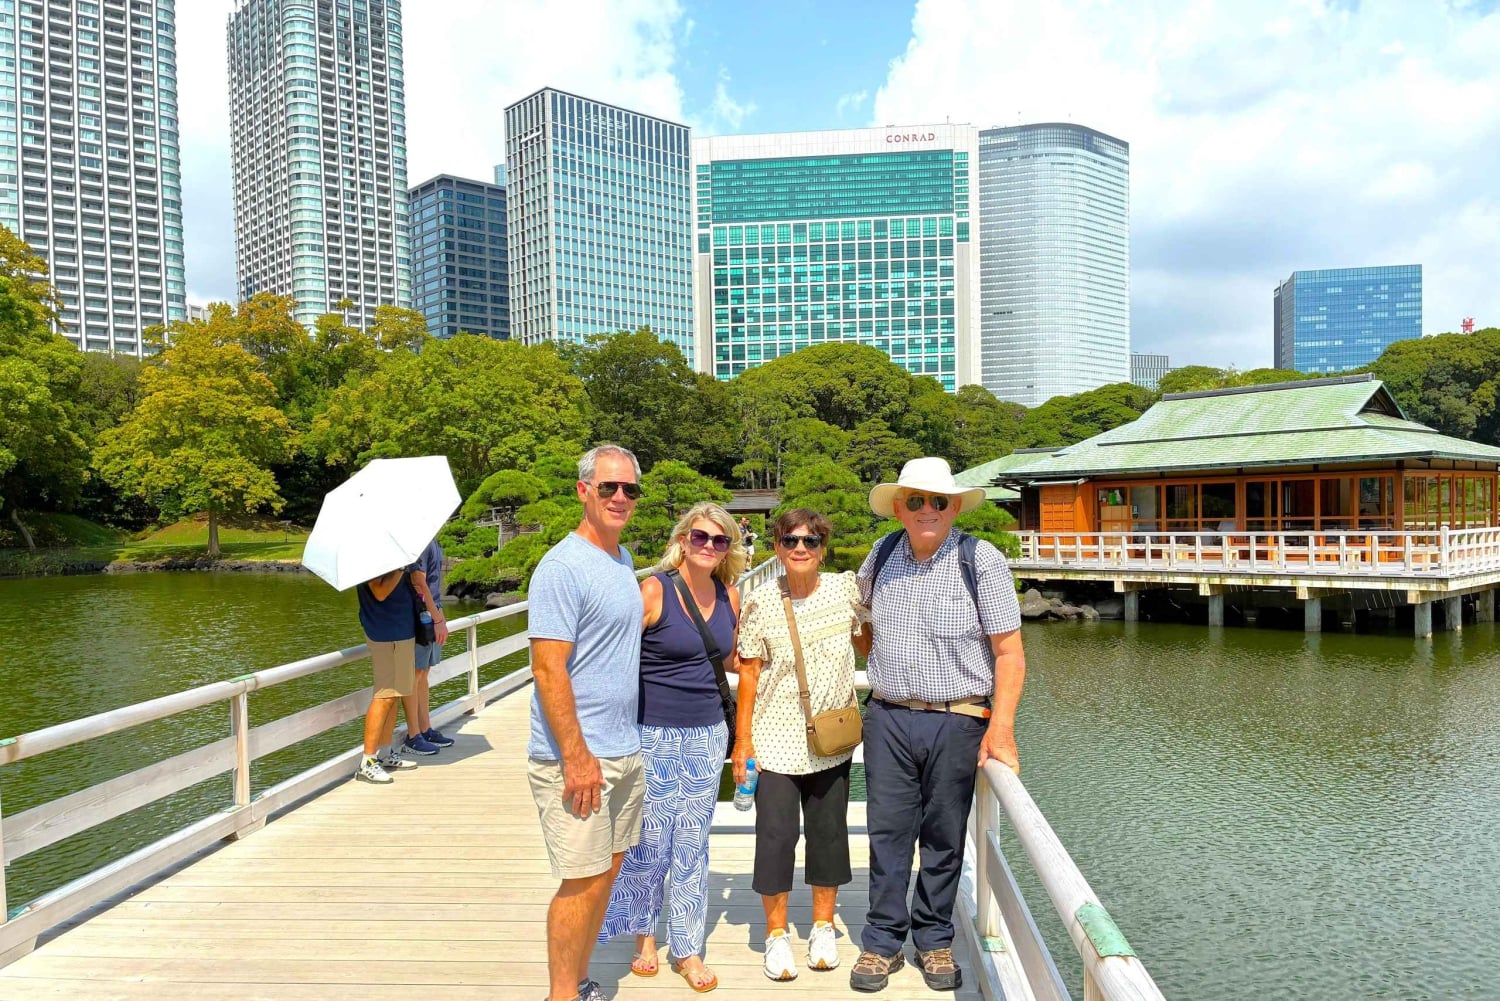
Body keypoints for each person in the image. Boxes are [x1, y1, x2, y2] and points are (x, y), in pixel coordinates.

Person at [849, 457, 1025, 994]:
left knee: (945, 835)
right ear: (899, 507)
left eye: (940, 501)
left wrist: (1002, 730)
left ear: (954, 508)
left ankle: (934, 938)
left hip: (958, 719)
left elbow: (1009, 653)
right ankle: (882, 941)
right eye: (917, 501)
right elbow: (862, 624)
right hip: (888, 715)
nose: (929, 510)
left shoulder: (981, 560)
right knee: (887, 833)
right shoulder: (879, 556)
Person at [599, 502, 746, 993]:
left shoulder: (729, 595)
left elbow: (729, 657)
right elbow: (615, 660)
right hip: (653, 733)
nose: (708, 546)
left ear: (729, 547)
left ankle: (686, 947)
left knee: (693, 843)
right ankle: (643, 936)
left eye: (719, 540)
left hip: (708, 734)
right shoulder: (653, 590)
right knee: (650, 839)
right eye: (700, 537)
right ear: (683, 539)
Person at [527, 443, 647, 1001]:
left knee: (608, 872)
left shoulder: (621, 560)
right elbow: (549, 667)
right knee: (581, 879)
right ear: (584, 491)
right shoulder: (562, 566)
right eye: (608, 487)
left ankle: (576, 981)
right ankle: (560, 994)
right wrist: (576, 756)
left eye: (629, 489)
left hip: (624, 747)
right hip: (578, 755)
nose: (620, 497)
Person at [733, 508, 866, 982]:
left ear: (823, 548)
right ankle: (775, 935)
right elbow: (748, 673)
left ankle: (823, 927)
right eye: (790, 541)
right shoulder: (762, 601)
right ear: (777, 547)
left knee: (828, 834)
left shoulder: (843, 590)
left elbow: (867, 639)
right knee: (776, 836)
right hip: (775, 738)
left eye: (810, 541)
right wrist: (742, 742)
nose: (801, 549)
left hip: (830, 740)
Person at [354, 567, 421, 784]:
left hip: (401, 631)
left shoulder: (391, 554)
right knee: (384, 695)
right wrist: (401, 569)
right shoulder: (372, 556)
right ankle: (368, 761)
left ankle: (384, 752)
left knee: (395, 695)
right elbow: (379, 592)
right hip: (384, 633)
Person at [403, 536, 454, 755]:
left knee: (424, 673)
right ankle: (413, 734)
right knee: (415, 674)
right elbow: (418, 581)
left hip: (431, 610)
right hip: (419, 614)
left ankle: (425, 728)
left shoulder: (432, 540)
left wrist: (439, 616)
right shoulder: (420, 541)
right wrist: (437, 619)